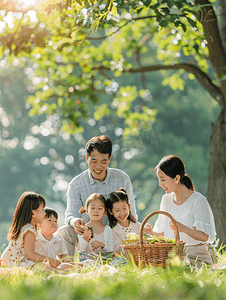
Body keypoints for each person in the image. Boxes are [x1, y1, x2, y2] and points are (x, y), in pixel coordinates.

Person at [58, 135, 137, 257]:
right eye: (94, 161)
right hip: (88, 234)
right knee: (64, 231)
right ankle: (67, 266)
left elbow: (132, 213)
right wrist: (75, 222)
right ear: (86, 158)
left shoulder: (122, 179)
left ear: (109, 159)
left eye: (103, 161)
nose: (98, 166)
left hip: (116, 232)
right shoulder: (76, 184)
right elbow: (70, 215)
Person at [149, 155, 217, 265]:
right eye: (159, 179)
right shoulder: (166, 200)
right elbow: (164, 233)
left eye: (163, 179)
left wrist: (183, 228)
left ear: (176, 178)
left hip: (196, 256)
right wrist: (151, 232)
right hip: (172, 256)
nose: (160, 184)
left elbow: (205, 236)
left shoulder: (198, 201)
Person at [1, 192, 57, 269]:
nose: (45, 213)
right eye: (43, 210)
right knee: (45, 267)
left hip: (16, 261)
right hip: (15, 264)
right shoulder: (28, 231)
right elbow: (30, 254)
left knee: (47, 267)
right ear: (33, 213)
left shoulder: (28, 228)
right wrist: (49, 259)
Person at [107, 188, 152, 254]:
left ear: (129, 207)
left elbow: (149, 240)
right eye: (117, 210)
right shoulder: (113, 231)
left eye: (124, 208)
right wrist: (131, 244)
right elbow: (116, 249)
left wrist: (149, 231)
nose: (122, 213)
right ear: (110, 211)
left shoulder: (138, 226)